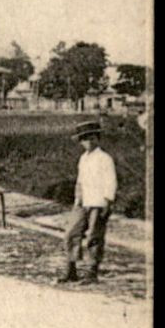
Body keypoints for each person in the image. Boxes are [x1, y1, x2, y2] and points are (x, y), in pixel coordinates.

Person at [59, 120, 118, 283]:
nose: (88, 142)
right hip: (83, 202)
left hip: (99, 202)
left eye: (92, 138)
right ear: (80, 141)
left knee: (94, 236)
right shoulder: (83, 159)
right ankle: (71, 269)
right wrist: (77, 199)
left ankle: (92, 271)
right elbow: (80, 180)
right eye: (84, 139)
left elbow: (111, 181)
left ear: (98, 138)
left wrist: (108, 201)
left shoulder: (105, 158)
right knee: (71, 233)